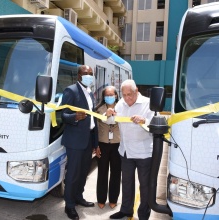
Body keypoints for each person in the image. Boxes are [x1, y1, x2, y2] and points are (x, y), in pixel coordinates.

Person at [107, 79, 154, 220]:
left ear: (137, 91)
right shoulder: (120, 104)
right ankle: (126, 210)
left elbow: (157, 124)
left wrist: (144, 121)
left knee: (145, 187)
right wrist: (108, 114)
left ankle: (143, 215)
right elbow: (110, 122)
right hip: (126, 152)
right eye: (124, 94)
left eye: (130, 94)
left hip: (144, 153)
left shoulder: (148, 103)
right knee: (127, 183)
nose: (127, 98)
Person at [61, 65, 99, 220]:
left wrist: (95, 143)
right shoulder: (71, 91)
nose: (88, 76)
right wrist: (74, 117)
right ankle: (69, 206)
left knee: (83, 172)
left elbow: (94, 119)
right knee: (73, 174)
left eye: (90, 74)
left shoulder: (91, 93)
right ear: (78, 76)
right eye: (85, 74)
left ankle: (78, 197)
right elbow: (62, 114)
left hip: (88, 139)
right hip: (75, 141)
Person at [95, 86, 121, 210]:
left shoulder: (122, 107)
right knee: (102, 172)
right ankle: (101, 199)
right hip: (103, 145)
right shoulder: (99, 109)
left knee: (116, 173)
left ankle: (113, 199)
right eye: (107, 95)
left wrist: (116, 114)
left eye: (112, 95)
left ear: (116, 95)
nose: (109, 97)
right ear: (103, 97)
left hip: (117, 145)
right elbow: (100, 122)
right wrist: (107, 114)